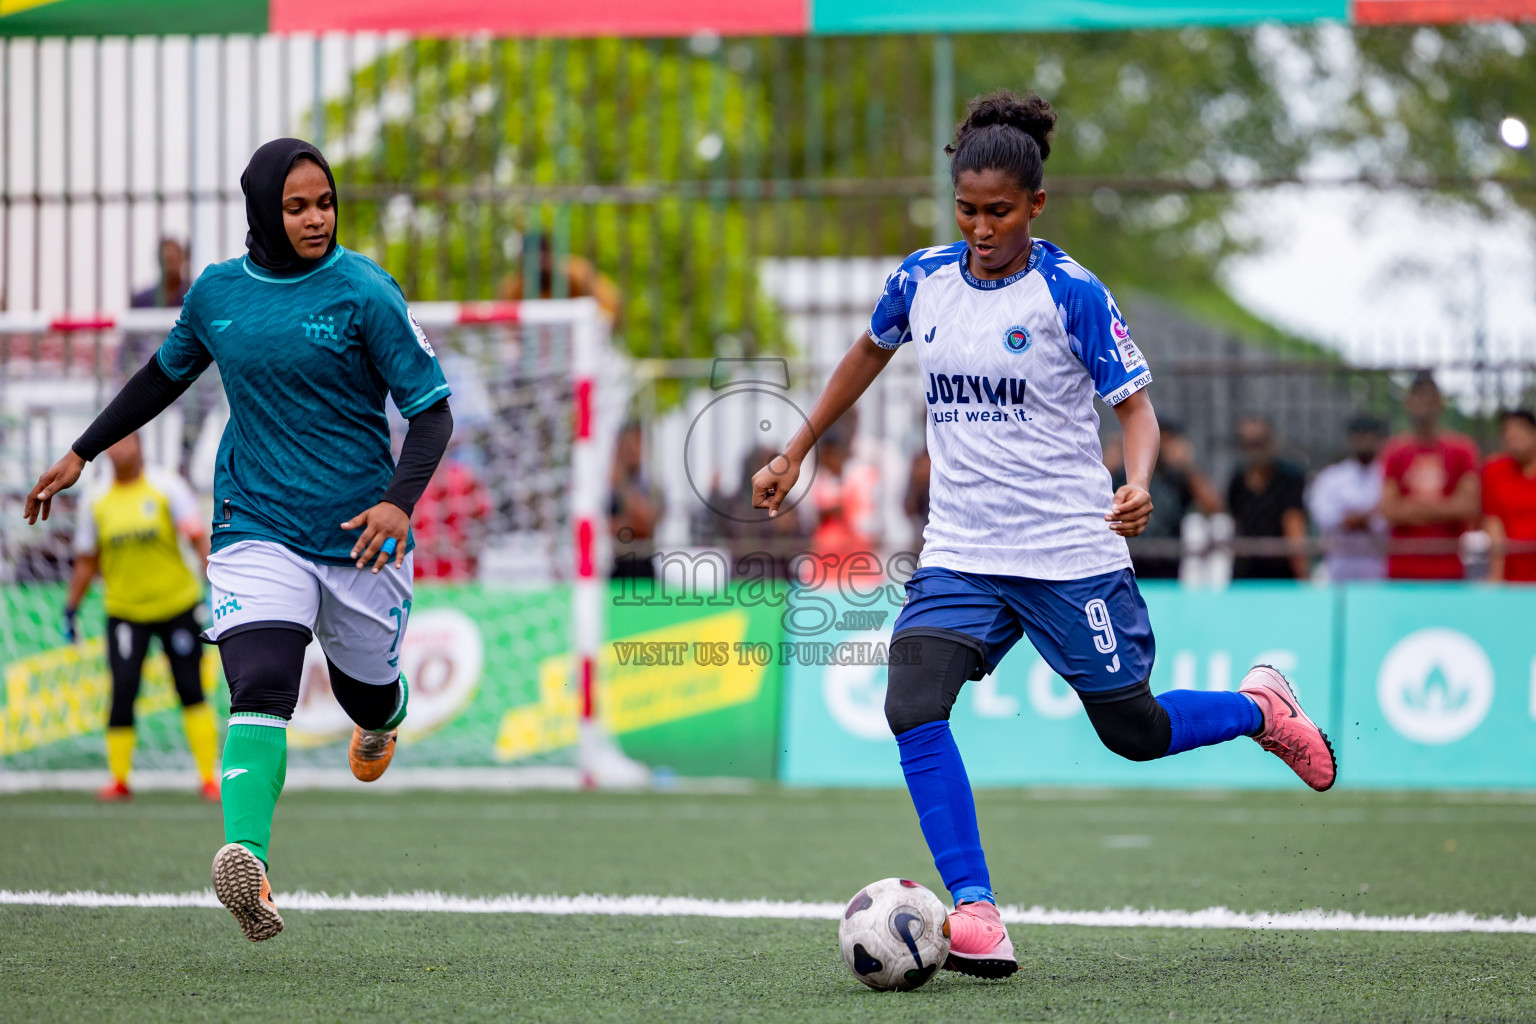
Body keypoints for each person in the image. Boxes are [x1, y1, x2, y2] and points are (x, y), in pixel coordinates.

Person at [751, 90, 1335, 981]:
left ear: (1035, 205)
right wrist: (797, 446)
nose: (981, 228)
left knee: (1134, 732)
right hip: (962, 553)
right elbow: (868, 352)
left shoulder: (1071, 293)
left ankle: (1261, 709)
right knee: (910, 706)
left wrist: (1137, 482)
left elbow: (1136, 410)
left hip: (1070, 555)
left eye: (998, 211)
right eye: (967, 209)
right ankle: (976, 909)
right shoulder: (922, 279)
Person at [24, 139, 453, 943]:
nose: (316, 218)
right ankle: (248, 862)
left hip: (360, 536)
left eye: (324, 202)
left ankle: (382, 715)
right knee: (260, 685)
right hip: (254, 527)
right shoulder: (218, 293)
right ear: (263, 210)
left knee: (368, 695)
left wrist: (400, 503)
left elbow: (430, 411)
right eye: (297, 207)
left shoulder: (366, 292)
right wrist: (81, 451)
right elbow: (161, 375)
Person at [64, 432, 218, 802]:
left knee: (191, 690)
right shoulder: (96, 500)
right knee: (123, 690)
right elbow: (87, 560)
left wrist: (216, 585)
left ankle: (208, 777)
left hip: (177, 606)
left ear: (140, 446)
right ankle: (119, 780)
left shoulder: (168, 488)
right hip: (125, 612)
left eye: (126, 442)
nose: (118, 449)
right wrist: (71, 608)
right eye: (113, 443)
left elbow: (198, 539)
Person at [1380, 373, 1480, 580]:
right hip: (1402, 569)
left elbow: (1468, 507)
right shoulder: (1395, 452)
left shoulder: (1462, 450)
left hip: (1449, 568)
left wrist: (1411, 507)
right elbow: (1389, 510)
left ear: (1440, 402)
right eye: (1417, 398)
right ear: (1408, 402)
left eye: (1429, 398)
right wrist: (1444, 506)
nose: (1423, 405)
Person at [1111, 420, 1220, 579]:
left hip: (1170, 564)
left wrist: (1187, 466)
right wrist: (1112, 463)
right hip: (1127, 558)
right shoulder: (1124, 474)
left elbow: (1214, 507)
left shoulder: (1178, 477)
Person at [1226, 415, 1310, 580]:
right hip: (1245, 573)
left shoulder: (1289, 478)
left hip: (1281, 576)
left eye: (1260, 442)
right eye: (1249, 444)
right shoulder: (1237, 480)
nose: (1255, 450)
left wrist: (1303, 575)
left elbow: (1294, 527)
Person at [1306, 415, 1388, 581]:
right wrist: (1367, 517)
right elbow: (1324, 516)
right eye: (1360, 436)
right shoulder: (1331, 477)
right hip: (1339, 567)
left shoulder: (1387, 475)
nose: (1365, 442)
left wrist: (1352, 518)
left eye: (1370, 436)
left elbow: (1389, 518)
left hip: (1380, 568)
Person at [1484, 409, 1536, 583]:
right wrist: (1496, 577)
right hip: (1511, 578)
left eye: (1520, 428)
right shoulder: (1494, 471)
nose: (1512, 435)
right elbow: (1493, 523)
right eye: (1506, 430)